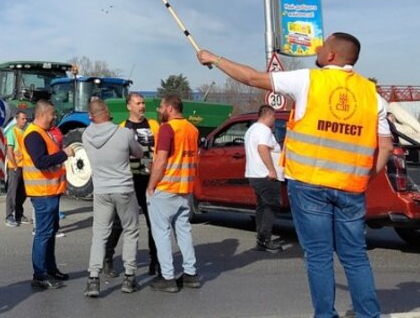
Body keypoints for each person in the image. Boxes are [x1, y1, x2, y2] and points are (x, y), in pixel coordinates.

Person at [198, 32, 392, 318]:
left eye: (323, 45)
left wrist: (214, 59)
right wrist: (364, 177)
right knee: (355, 257)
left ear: (331, 56)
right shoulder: (373, 97)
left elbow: (252, 78)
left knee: (318, 256)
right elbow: (385, 147)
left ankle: (325, 315)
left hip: (310, 185)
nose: (319, 47)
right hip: (351, 188)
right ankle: (369, 314)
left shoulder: (308, 81)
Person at [83, 97, 143, 297]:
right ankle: (129, 277)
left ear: (91, 116)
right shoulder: (124, 133)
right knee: (131, 231)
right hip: (124, 189)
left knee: (100, 234)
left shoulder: (85, 135)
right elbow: (139, 153)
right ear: (107, 111)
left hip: (101, 191)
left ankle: (93, 279)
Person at [145, 94, 202, 292]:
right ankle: (190, 274)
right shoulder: (192, 129)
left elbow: (161, 161)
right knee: (184, 230)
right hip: (185, 188)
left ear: (169, 108)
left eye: (161, 107)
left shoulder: (167, 129)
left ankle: (168, 277)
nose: (159, 110)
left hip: (166, 187)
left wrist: (151, 185)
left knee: (161, 233)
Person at [23, 99, 77, 290]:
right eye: (52, 114)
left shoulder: (44, 133)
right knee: (43, 234)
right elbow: (40, 161)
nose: (54, 117)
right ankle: (40, 275)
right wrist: (65, 153)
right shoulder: (34, 135)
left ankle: (51, 269)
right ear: (43, 114)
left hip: (51, 190)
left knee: (50, 232)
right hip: (42, 192)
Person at [106, 92, 161, 275]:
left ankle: (156, 261)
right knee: (120, 221)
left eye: (143, 103)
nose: (142, 106)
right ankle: (107, 258)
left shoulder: (153, 125)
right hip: (128, 180)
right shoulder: (122, 128)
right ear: (129, 106)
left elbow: (160, 150)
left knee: (154, 221)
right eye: (138, 103)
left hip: (149, 180)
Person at [245, 104, 286, 252]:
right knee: (272, 205)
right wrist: (272, 170)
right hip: (265, 175)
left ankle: (261, 239)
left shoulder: (252, 130)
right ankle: (265, 239)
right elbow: (262, 148)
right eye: (274, 117)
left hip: (255, 174)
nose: (274, 120)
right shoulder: (264, 130)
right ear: (268, 115)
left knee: (262, 206)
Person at [4, 108, 30, 226]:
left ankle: (19, 214)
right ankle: (9, 216)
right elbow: (9, 150)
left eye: (26, 119)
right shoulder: (12, 132)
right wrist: (14, 165)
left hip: (24, 167)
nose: (25, 121)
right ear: (17, 119)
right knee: (12, 192)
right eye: (23, 119)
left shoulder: (24, 133)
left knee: (22, 192)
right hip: (15, 167)